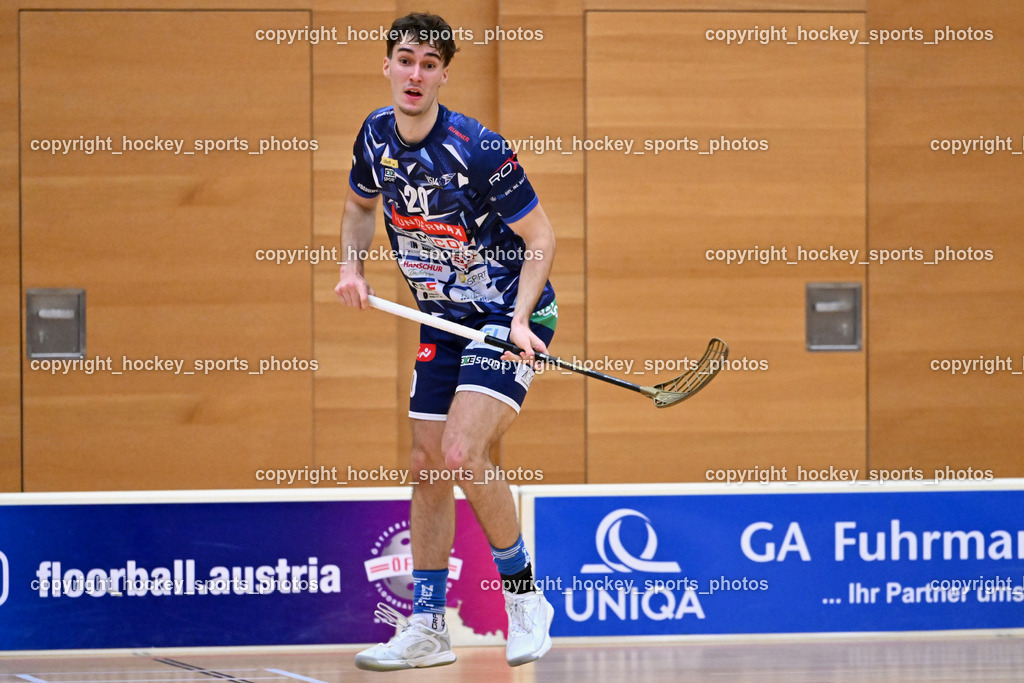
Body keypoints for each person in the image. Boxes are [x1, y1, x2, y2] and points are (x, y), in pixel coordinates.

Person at [334, 12, 557, 671]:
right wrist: (352, 267)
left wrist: (520, 321)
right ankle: (428, 626)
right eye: (405, 59)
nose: (415, 73)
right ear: (387, 65)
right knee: (427, 463)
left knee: (461, 451)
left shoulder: (478, 148)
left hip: (508, 315)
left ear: (443, 76)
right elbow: (359, 205)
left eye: (429, 64)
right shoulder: (375, 135)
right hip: (442, 318)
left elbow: (541, 237)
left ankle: (525, 601)